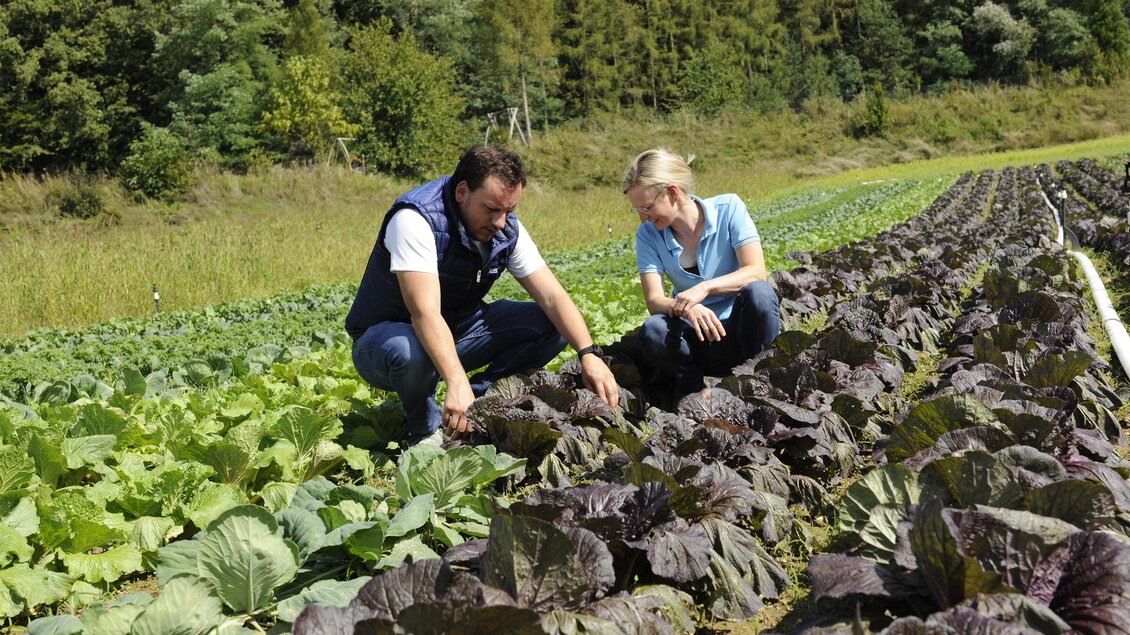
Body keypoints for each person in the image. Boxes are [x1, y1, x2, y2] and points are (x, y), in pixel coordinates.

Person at [347, 146, 619, 446]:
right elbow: (424, 314)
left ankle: (475, 404)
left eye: (509, 211)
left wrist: (589, 354)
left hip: (457, 330)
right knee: (411, 349)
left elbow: (553, 296)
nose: (501, 221)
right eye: (492, 209)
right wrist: (455, 378)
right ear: (462, 191)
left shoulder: (503, 228)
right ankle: (424, 429)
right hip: (386, 343)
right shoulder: (416, 219)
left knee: (551, 324)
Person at [623, 148, 780, 389]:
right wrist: (685, 309)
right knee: (653, 328)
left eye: (647, 208)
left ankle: (763, 377)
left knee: (760, 293)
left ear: (672, 192)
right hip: (695, 338)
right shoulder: (648, 234)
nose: (643, 218)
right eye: (638, 211)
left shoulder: (729, 208)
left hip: (740, 331)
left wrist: (704, 289)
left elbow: (756, 272)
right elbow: (654, 300)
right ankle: (695, 388)